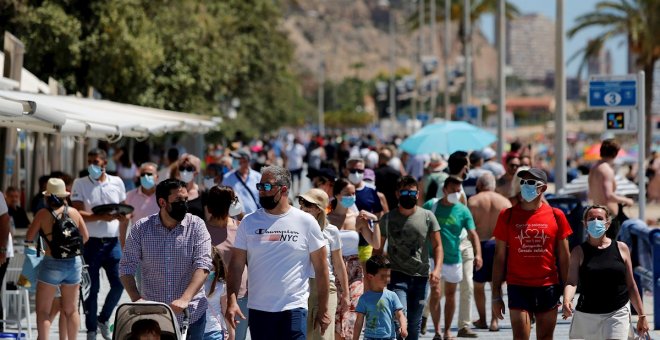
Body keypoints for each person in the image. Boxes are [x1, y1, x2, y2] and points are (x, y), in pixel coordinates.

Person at [225, 166, 330, 339]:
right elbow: (236, 266)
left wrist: (324, 308)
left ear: (283, 189)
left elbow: (321, 269)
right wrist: (231, 300)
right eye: (259, 187)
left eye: (267, 187)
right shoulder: (248, 222)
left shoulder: (306, 222)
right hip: (259, 309)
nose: (261, 192)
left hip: (294, 308)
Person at [119, 179, 213, 339]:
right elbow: (126, 267)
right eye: (178, 200)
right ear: (162, 202)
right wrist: (136, 299)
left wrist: (185, 299)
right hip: (155, 318)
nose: (183, 204)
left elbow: (203, 265)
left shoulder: (196, 226)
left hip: (191, 314)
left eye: (185, 200)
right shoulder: (141, 228)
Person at [492, 168, 572, 340]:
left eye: (530, 182)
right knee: (520, 337)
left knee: (545, 337)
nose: (525, 186)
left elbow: (565, 258)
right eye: (523, 182)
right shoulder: (507, 215)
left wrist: (567, 294)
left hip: (548, 286)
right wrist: (496, 296)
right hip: (517, 286)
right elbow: (499, 258)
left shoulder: (556, 216)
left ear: (542, 188)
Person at [562, 205, 649, 339]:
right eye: (591, 219)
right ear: (585, 224)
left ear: (607, 223)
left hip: (617, 312)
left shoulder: (622, 248)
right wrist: (567, 300)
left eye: (599, 218)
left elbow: (631, 285)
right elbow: (572, 282)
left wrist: (642, 315)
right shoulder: (578, 252)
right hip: (588, 314)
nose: (595, 221)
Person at [375, 176, 442, 340]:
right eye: (404, 192)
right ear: (397, 194)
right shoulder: (388, 218)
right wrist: (378, 275)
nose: (408, 195)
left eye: (412, 192)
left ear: (418, 194)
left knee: (414, 321)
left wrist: (437, 269)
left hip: (421, 277)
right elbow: (377, 248)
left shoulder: (427, 216)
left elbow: (437, 246)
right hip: (397, 275)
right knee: (400, 316)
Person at [71, 148, 129, 340]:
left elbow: (125, 212)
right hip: (90, 243)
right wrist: (100, 217)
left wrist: (123, 235)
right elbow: (78, 213)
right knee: (92, 289)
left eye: (95, 161)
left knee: (121, 282)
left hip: (113, 243)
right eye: (89, 161)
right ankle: (91, 330)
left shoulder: (117, 182)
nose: (92, 165)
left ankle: (103, 318)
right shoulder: (80, 183)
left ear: (105, 163)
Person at [26, 178, 89, 340]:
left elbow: (29, 237)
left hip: (51, 263)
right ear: (64, 196)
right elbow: (85, 237)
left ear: (47, 197)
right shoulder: (74, 212)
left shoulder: (42, 214)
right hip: (73, 264)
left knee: (43, 311)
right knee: (71, 310)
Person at [423, 176, 482, 340]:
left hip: (454, 258)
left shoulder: (463, 210)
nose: (456, 193)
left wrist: (478, 254)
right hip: (432, 258)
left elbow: (473, 234)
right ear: (445, 190)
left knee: (450, 295)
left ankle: (448, 330)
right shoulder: (431, 206)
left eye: (459, 191)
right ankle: (436, 331)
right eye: (453, 190)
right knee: (435, 292)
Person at [327, 178, 380, 340]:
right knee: (336, 315)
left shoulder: (358, 218)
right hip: (333, 270)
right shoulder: (327, 219)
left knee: (352, 314)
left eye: (353, 193)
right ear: (337, 195)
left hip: (355, 272)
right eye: (347, 194)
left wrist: (375, 220)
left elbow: (376, 243)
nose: (352, 196)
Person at [298, 188, 351, 340]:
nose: (302, 207)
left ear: (319, 209)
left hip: (328, 288)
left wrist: (346, 295)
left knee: (324, 335)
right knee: (305, 335)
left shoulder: (332, 232)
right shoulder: (296, 230)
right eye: (302, 203)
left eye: (308, 204)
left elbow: (339, 265)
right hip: (302, 287)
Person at [466, 173, 511, 332]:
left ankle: (483, 319)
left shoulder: (473, 201)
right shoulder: (504, 201)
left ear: (479, 185)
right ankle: (494, 321)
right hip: (499, 245)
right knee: (496, 285)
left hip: (481, 245)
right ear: (493, 186)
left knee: (479, 286)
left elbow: (468, 229)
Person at [206, 186, 249, 340]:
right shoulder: (201, 229)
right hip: (210, 295)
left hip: (238, 294)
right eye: (234, 200)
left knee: (237, 337)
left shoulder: (241, 228)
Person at [588, 139, 634, 239]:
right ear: (615, 153)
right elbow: (608, 195)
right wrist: (626, 200)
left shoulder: (594, 168)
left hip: (597, 212)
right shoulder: (606, 170)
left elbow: (590, 194)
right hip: (610, 216)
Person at [353, 255, 407, 340]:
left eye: (388, 276)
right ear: (370, 276)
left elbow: (400, 315)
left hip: (389, 338)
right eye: (383, 276)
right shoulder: (364, 298)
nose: (387, 279)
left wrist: (403, 327)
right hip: (369, 338)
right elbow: (359, 322)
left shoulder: (392, 296)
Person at [346, 158, 383, 263]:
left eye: (360, 171)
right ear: (346, 170)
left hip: (365, 242)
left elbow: (378, 212)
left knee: (363, 277)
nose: (356, 174)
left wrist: (373, 223)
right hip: (345, 244)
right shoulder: (339, 190)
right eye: (353, 171)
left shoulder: (371, 190)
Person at [122, 162, 159, 247]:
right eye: (143, 174)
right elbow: (124, 222)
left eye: (149, 174)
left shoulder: (165, 196)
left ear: (157, 177)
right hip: (137, 246)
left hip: (160, 246)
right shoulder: (129, 196)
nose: (146, 177)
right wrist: (123, 245)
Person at [222, 150, 262, 216]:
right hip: (236, 221)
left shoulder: (258, 177)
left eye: (236, 158)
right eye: (233, 158)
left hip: (257, 218)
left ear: (246, 160)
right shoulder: (227, 178)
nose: (234, 161)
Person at [171, 154, 204, 219]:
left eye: (189, 168)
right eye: (182, 168)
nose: (184, 172)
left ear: (196, 172)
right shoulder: (172, 192)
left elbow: (208, 220)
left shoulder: (202, 193)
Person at [205, 246, 227, 340]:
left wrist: (229, 331)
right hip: (194, 330)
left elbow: (225, 310)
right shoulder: (191, 283)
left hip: (214, 331)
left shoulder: (221, 286)